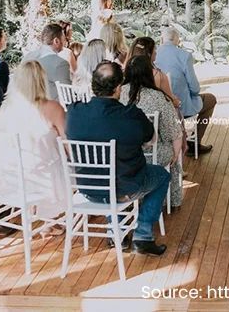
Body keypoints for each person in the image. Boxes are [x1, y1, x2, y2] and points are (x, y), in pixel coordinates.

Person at [65, 61, 168, 256]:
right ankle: (143, 235)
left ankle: (116, 233)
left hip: (87, 188)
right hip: (125, 188)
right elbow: (150, 139)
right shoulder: (130, 115)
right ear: (118, 88)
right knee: (161, 176)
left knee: (115, 173)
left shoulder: (74, 112)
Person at [0, 61, 68, 223]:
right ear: (41, 81)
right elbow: (68, 144)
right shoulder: (53, 108)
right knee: (58, 156)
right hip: (43, 178)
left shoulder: (6, 108)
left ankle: (41, 214)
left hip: (12, 177)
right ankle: (49, 218)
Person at [127, 55, 185, 208]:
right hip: (153, 153)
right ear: (148, 73)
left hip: (124, 155)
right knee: (172, 153)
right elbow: (174, 132)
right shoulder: (158, 97)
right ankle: (170, 200)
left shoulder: (118, 93)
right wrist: (176, 153)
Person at [156, 27, 216, 156]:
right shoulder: (184, 55)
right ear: (177, 40)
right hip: (180, 107)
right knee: (211, 99)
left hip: (158, 108)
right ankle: (195, 142)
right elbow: (195, 88)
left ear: (162, 39)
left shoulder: (154, 54)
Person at [21, 23, 72, 101]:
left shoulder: (28, 57)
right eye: (64, 38)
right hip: (52, 109)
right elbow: (68, 96)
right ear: (56, 41)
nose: (65, 42)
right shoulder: (60, 64)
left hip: (28, 106)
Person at [127, 37, 181, 109]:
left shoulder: (126, 73)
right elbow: (170, 101)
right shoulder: (158, 75)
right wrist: (176, 101)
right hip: (154, 116)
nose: (156, 52)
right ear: (149, 54)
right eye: (154, 49)